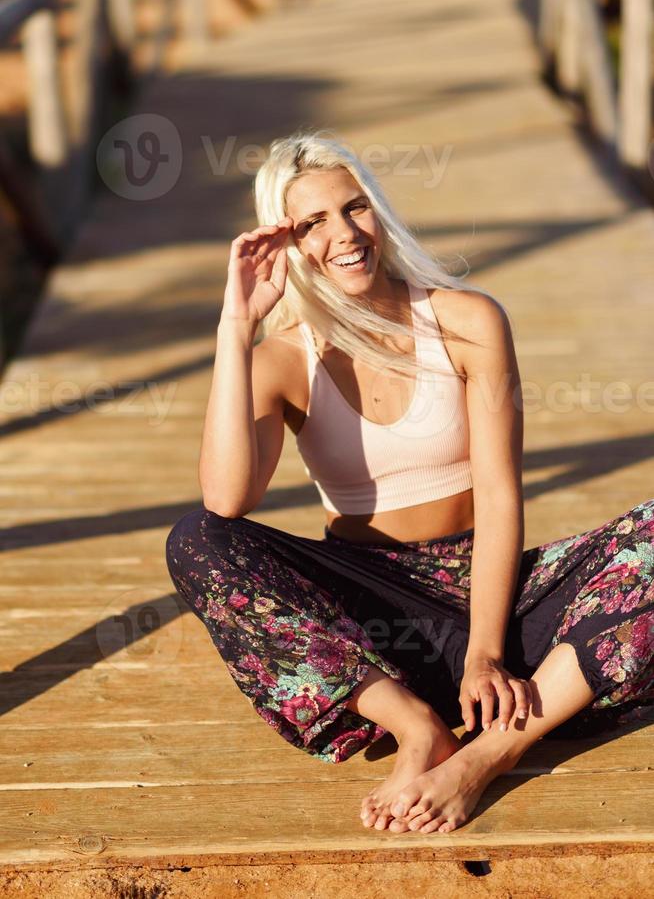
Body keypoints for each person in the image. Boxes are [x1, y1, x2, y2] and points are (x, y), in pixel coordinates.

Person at [165, 129, 653, 835]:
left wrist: (486, 654)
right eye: (313, 222)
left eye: (355, 207)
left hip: (500, 602)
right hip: (374, 628)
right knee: (197, 540)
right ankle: (418, 727)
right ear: (288, 243)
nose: (344, 234)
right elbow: (226, 500)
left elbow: (499, 493)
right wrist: (236, 323)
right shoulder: (282, 358)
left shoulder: (466, 321)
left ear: (379, 210)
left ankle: (487, 754)